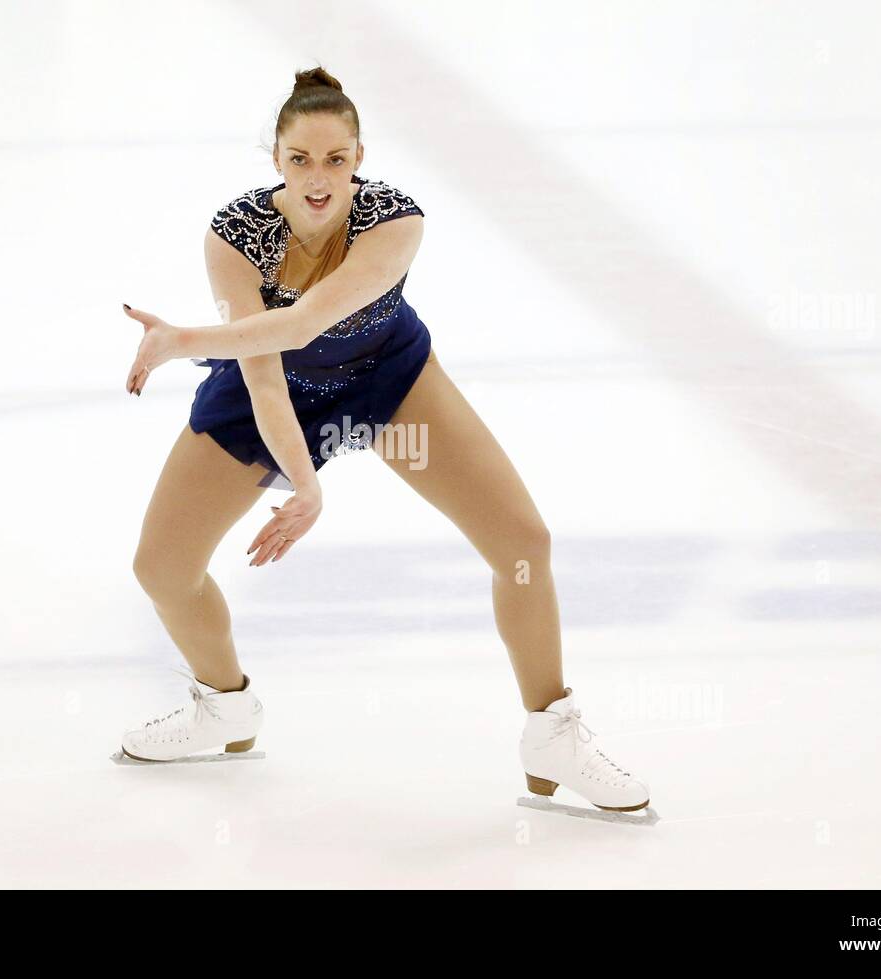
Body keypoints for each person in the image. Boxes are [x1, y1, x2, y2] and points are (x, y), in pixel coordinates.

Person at [116, 66, 649, 812]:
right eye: (300, 159)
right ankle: (225, 705)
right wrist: (304, 483)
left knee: (523, 545)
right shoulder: (234, 233)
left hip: (386, 386)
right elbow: (265, 373)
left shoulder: (395, 220)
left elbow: (306, 321)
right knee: (163, 568)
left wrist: (183, 340)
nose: (317, 177)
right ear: (275, 159)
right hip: (267, 393)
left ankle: (551, 733)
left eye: (336, 159)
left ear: (359, 158)